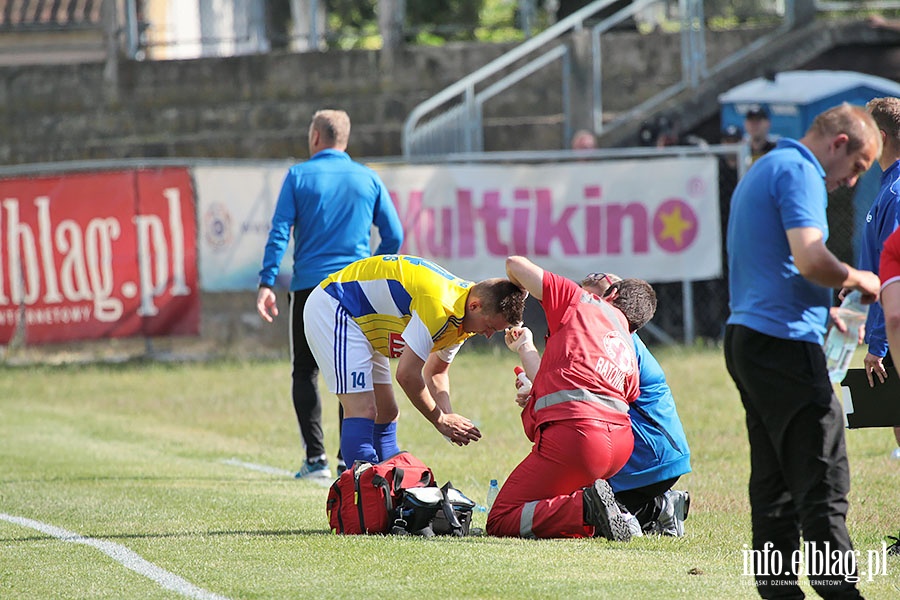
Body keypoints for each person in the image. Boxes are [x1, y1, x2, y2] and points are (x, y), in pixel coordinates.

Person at [724, 103, 882, 598]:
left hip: (749, 336)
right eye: (856, 167)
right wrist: (859, 278)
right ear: (838, 144)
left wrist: (821, 311)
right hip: (781, 345)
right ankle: (840, 591)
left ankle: (779, 591)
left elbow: (773, 264)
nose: (852, 182)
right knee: (823, 475)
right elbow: (811, 257)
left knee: (774, 481)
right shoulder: (800, 170)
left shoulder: (766, 166)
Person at [256, 109, 404, 481]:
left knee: (304, 370)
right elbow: (395, 235)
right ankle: (345, 460)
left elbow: (279, 231)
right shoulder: (367, 177)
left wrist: (267, 281)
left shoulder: (298, 175)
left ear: (316, 137)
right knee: (353, 371)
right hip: (354, 292)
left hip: (310, 290)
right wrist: (370, 271)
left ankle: (316, 460)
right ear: (345, 140)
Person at [505, 271, 692, 537]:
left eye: (592, 295)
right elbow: (565, 386)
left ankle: (649, 510)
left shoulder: (610, 337)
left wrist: (537, 388)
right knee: (579, 489)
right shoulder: (615, 336)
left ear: (611, 299)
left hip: (644, 457)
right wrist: (527, 355)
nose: (585, 302)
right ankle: (658, 506)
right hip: (655, 456)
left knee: (587, 505)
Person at [485, 255, 657, 541]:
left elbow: (515, 264)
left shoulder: (581, 300)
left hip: (578, 439)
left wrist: (519, 296)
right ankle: (605, 511)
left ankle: (584, 509)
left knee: (501, 519)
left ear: (611, 294)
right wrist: (527, 351)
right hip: (618, 448)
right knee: (548, 500)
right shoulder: (626, 339)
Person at [303, 254, 527, 467]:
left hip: (363, 322)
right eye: (489, 327)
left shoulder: (464, 317)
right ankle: (361, 495)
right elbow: (407, 375)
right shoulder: (440, 306)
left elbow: (436, 372)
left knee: (387, 413)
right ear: (475, 306)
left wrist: (448, 416)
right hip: (336, 307)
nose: (488, 335)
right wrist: (439, 420)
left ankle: (384, 490)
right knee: (363, 410)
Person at [848, 97, 900, 457]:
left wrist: (879, 345)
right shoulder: (887, 186)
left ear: (880, 136)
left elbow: (892, 274)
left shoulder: (895, 193)